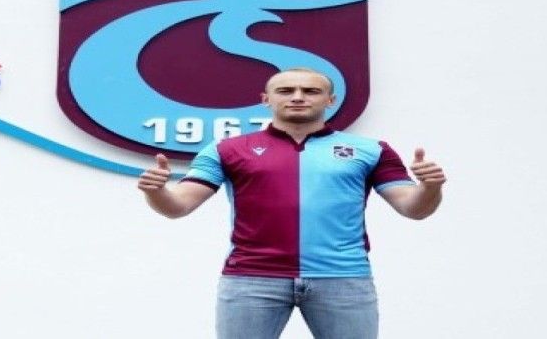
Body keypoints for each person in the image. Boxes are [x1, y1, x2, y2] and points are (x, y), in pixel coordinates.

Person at [138, 68, 446, 339]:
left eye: (311, 91)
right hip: (252, 278)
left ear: (330, 100)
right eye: (286, 90)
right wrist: (157, 192)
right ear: (266, 99)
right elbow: (179, 206)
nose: (298, 97)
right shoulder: (226, 149)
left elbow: (414, 208)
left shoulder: (371, 150)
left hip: (343, 277)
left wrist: (430, 187)